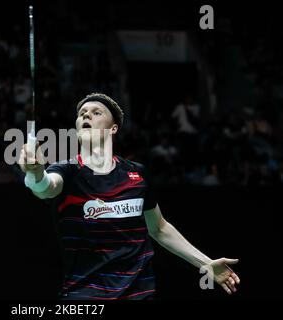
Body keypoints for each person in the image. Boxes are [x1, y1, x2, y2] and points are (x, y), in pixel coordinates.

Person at [18, 93, 240, 300]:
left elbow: (159, 228)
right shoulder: (67, 171)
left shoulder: (137, 174)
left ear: (113, 128)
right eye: (82, 113)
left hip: (139, 294)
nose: (86, 114)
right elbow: (45, 188)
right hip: (85, 296)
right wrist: (35, 172)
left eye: (96, 112)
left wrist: (206, 263)